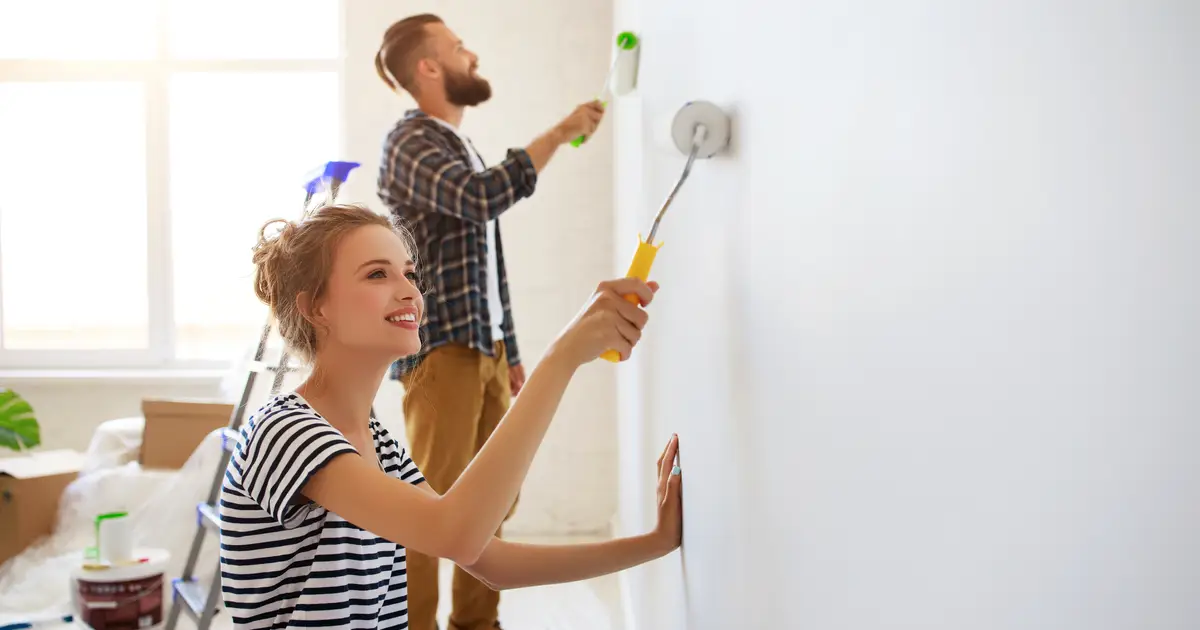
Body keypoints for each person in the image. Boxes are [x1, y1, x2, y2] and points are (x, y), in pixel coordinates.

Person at [218, 204, 682, 630]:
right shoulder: (283, 431)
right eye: (377, 274)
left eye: (409, 272)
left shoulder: (378, 446)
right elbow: (455, 534)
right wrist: (560, 358)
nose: (409, 292)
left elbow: (490, 561)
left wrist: (656, 543)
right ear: (316, 307)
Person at [372, 13, 608, 629]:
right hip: (442, 352)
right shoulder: (409, 141)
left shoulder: (453, 143)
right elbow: (482, 197)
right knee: (430, 513)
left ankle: (477, 624)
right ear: (428, 68)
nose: (469, 55)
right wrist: (557, 134)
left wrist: (513, 350)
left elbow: (487, 264)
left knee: (494, 504)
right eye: (456, 48)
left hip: (483, 348)